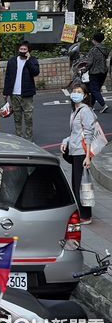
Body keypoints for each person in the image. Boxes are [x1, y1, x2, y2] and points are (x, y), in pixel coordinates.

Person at [61, 83, 96, 224]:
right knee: (76, 184)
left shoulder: (85, 110)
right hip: (76, 151)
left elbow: (88, 134)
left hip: (82, 153)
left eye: (79, 92)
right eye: (74, 91)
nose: (75, 93)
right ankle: (82, 212)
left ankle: (86, 216)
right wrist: (66, 141)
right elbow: (75, 133)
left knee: (81, 185)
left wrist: (88, 157)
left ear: (85, 95)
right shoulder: (75, 110)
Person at [3, 41, 40, 142]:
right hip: (14, 93)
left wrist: (28, 60)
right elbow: (8, 77)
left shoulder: (32, 60)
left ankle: (29, 138)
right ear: (18, 50)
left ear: (28, 51)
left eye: (25, 49)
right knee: (17, 117)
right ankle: (19, 137)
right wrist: (6, 93)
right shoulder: (12, 61)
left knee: (28, 116)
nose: (22, 51)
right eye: (21, 49)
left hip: (27, 93)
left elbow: (35, 72)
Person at [86, 32, 109, 113]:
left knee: (93, 89)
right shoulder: (105, 49)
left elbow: (89, 63)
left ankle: (103, 105)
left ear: (94, 40)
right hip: (103, 72)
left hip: (94, 72)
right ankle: (91, 106)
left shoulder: (93, 50)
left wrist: (83, 70)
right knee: (95, 89)